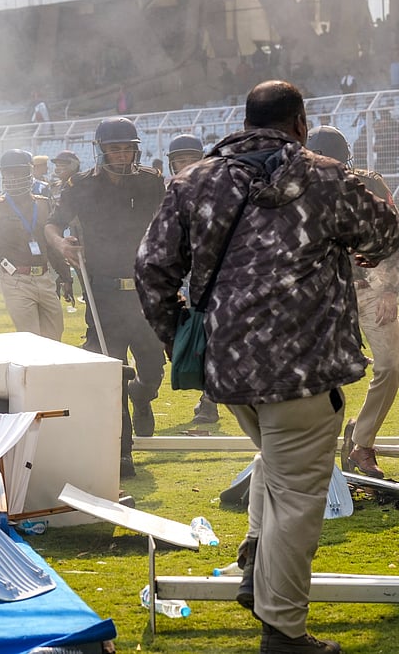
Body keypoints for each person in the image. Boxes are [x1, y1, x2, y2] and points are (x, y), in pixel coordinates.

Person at [136, 81, 399, 654]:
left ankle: (256, 557)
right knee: (300, 495)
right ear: (300, 122)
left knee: (277, 466)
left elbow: (152, 270)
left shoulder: (194, 180)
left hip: (230, 371)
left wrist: (184, 339)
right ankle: (282, 629)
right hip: (304, 370)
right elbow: (384, 234)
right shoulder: (328, 178)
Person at [46, 117, 165, 478]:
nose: (122, 154)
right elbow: (51, 225)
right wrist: (61, 244)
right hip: (103, 293)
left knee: (153, 368)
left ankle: (143, 396)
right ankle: (122, 451)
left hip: (145, 292)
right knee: (110, 371)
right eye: (115, 148)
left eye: (128, 147)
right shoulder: (80, 187)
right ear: (100, 151)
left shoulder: (151, 182)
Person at [306, 126, 399, 480]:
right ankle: (313, 449)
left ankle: (362, 442)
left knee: (390, 365)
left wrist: (391, 288)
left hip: (371, 286)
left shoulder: (370, 185)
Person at [0, 149, 71, 340]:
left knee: (55, 336)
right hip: (15, 279)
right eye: (8, 173)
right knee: (31, 339)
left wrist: (66, 276)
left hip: (44, 277)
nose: (13, 178)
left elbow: (51, 245)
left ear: (29, 172)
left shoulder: (44, 204)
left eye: (18, 172)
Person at [166, 133, 221, 424]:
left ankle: (210, 401)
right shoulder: (168, 193)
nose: (185, 165)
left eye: (191, 159)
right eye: (180, 160)